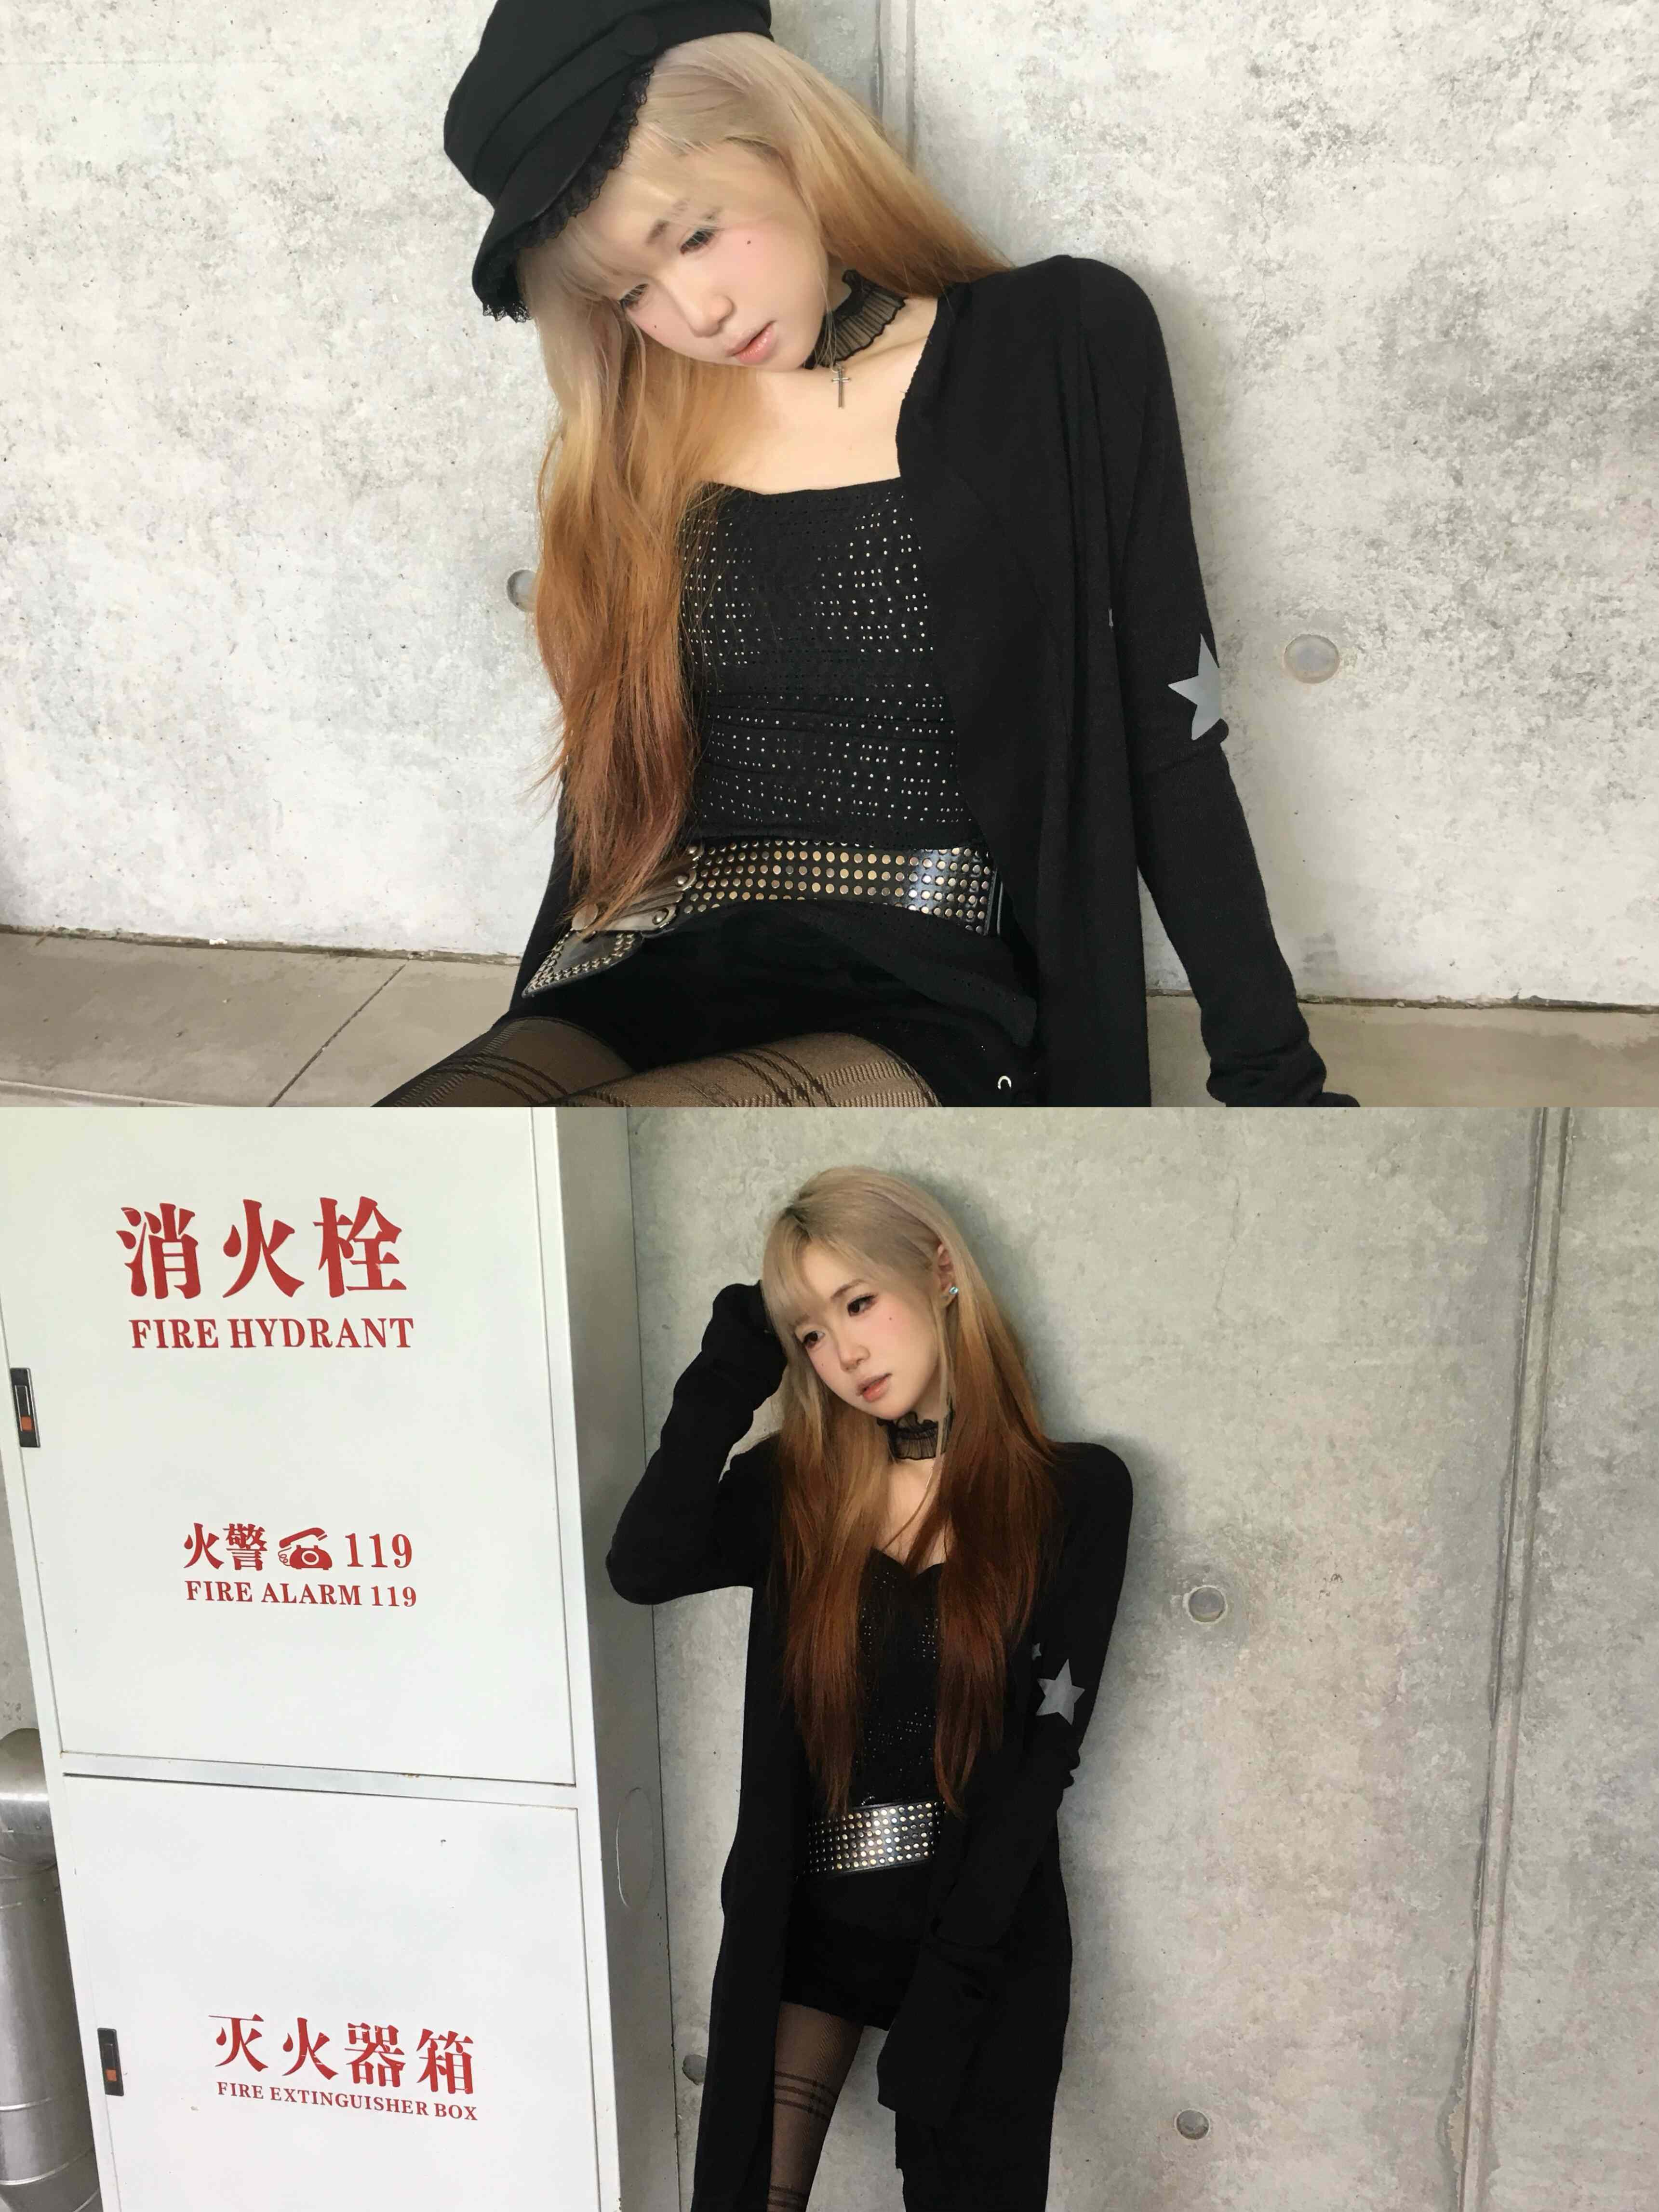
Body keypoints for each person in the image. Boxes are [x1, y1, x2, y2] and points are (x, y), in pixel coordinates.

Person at [380, 1, 1354, 1107]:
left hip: (925, 988)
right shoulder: (641, 438)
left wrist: (1273, 1080)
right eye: (630, 292)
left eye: (694, 235)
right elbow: (609, 796)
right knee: (422, 1162)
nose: (696, 310)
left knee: (618, 1146)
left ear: (791, 147)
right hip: (650, 960)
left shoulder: (1054, 342)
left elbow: (1170, 724)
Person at [605, 1165, 1135, 2209]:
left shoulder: (1074, 1493)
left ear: (939, 1271)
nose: (841, 1354)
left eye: (857, 1304)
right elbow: (643, 1567)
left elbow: (1044, 1759)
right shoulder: (796, 1488)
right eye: (809, 1331)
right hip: (808, 1924)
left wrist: (956, 1978)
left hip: (974, 1931)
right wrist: (726, 1371)